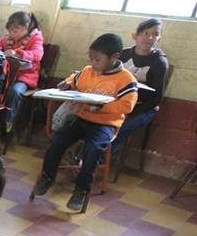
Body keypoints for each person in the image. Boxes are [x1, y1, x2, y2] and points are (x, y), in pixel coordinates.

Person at [32, 33, 138, 211]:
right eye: (91, 59)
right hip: (82, 119)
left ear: (115, 58)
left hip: (106, 124)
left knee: (93, 150)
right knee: (57, 141)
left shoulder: (126, 80)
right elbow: (74, 80)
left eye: (97, 59)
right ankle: (48, 176)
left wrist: (101, 108)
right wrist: (66, 84)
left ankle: (81, 189)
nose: (93, 63)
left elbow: (127, 106)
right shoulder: (88, 71)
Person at [110, 18, 169, 157]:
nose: (149, 37)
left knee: (121, 127)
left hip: (144, 108)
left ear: (159, 38)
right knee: (93, 118)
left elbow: (156, 98)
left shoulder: (159, 62)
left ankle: (97, 161)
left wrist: (130, 111)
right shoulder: (123, 55)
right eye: (145, 33)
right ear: (135, 35)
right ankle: (84, 155)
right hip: (118, 101)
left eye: (155, 34)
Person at [0, 11, 44, 128]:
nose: (11, 33)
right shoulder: (8, 38)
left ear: (25, 28)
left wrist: (18, 54)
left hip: (25, 77)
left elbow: (38, 54)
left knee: (15, 91)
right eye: (10, 31)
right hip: (7, 74)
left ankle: (8, 123)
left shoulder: (36, 37)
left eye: (15, 30)